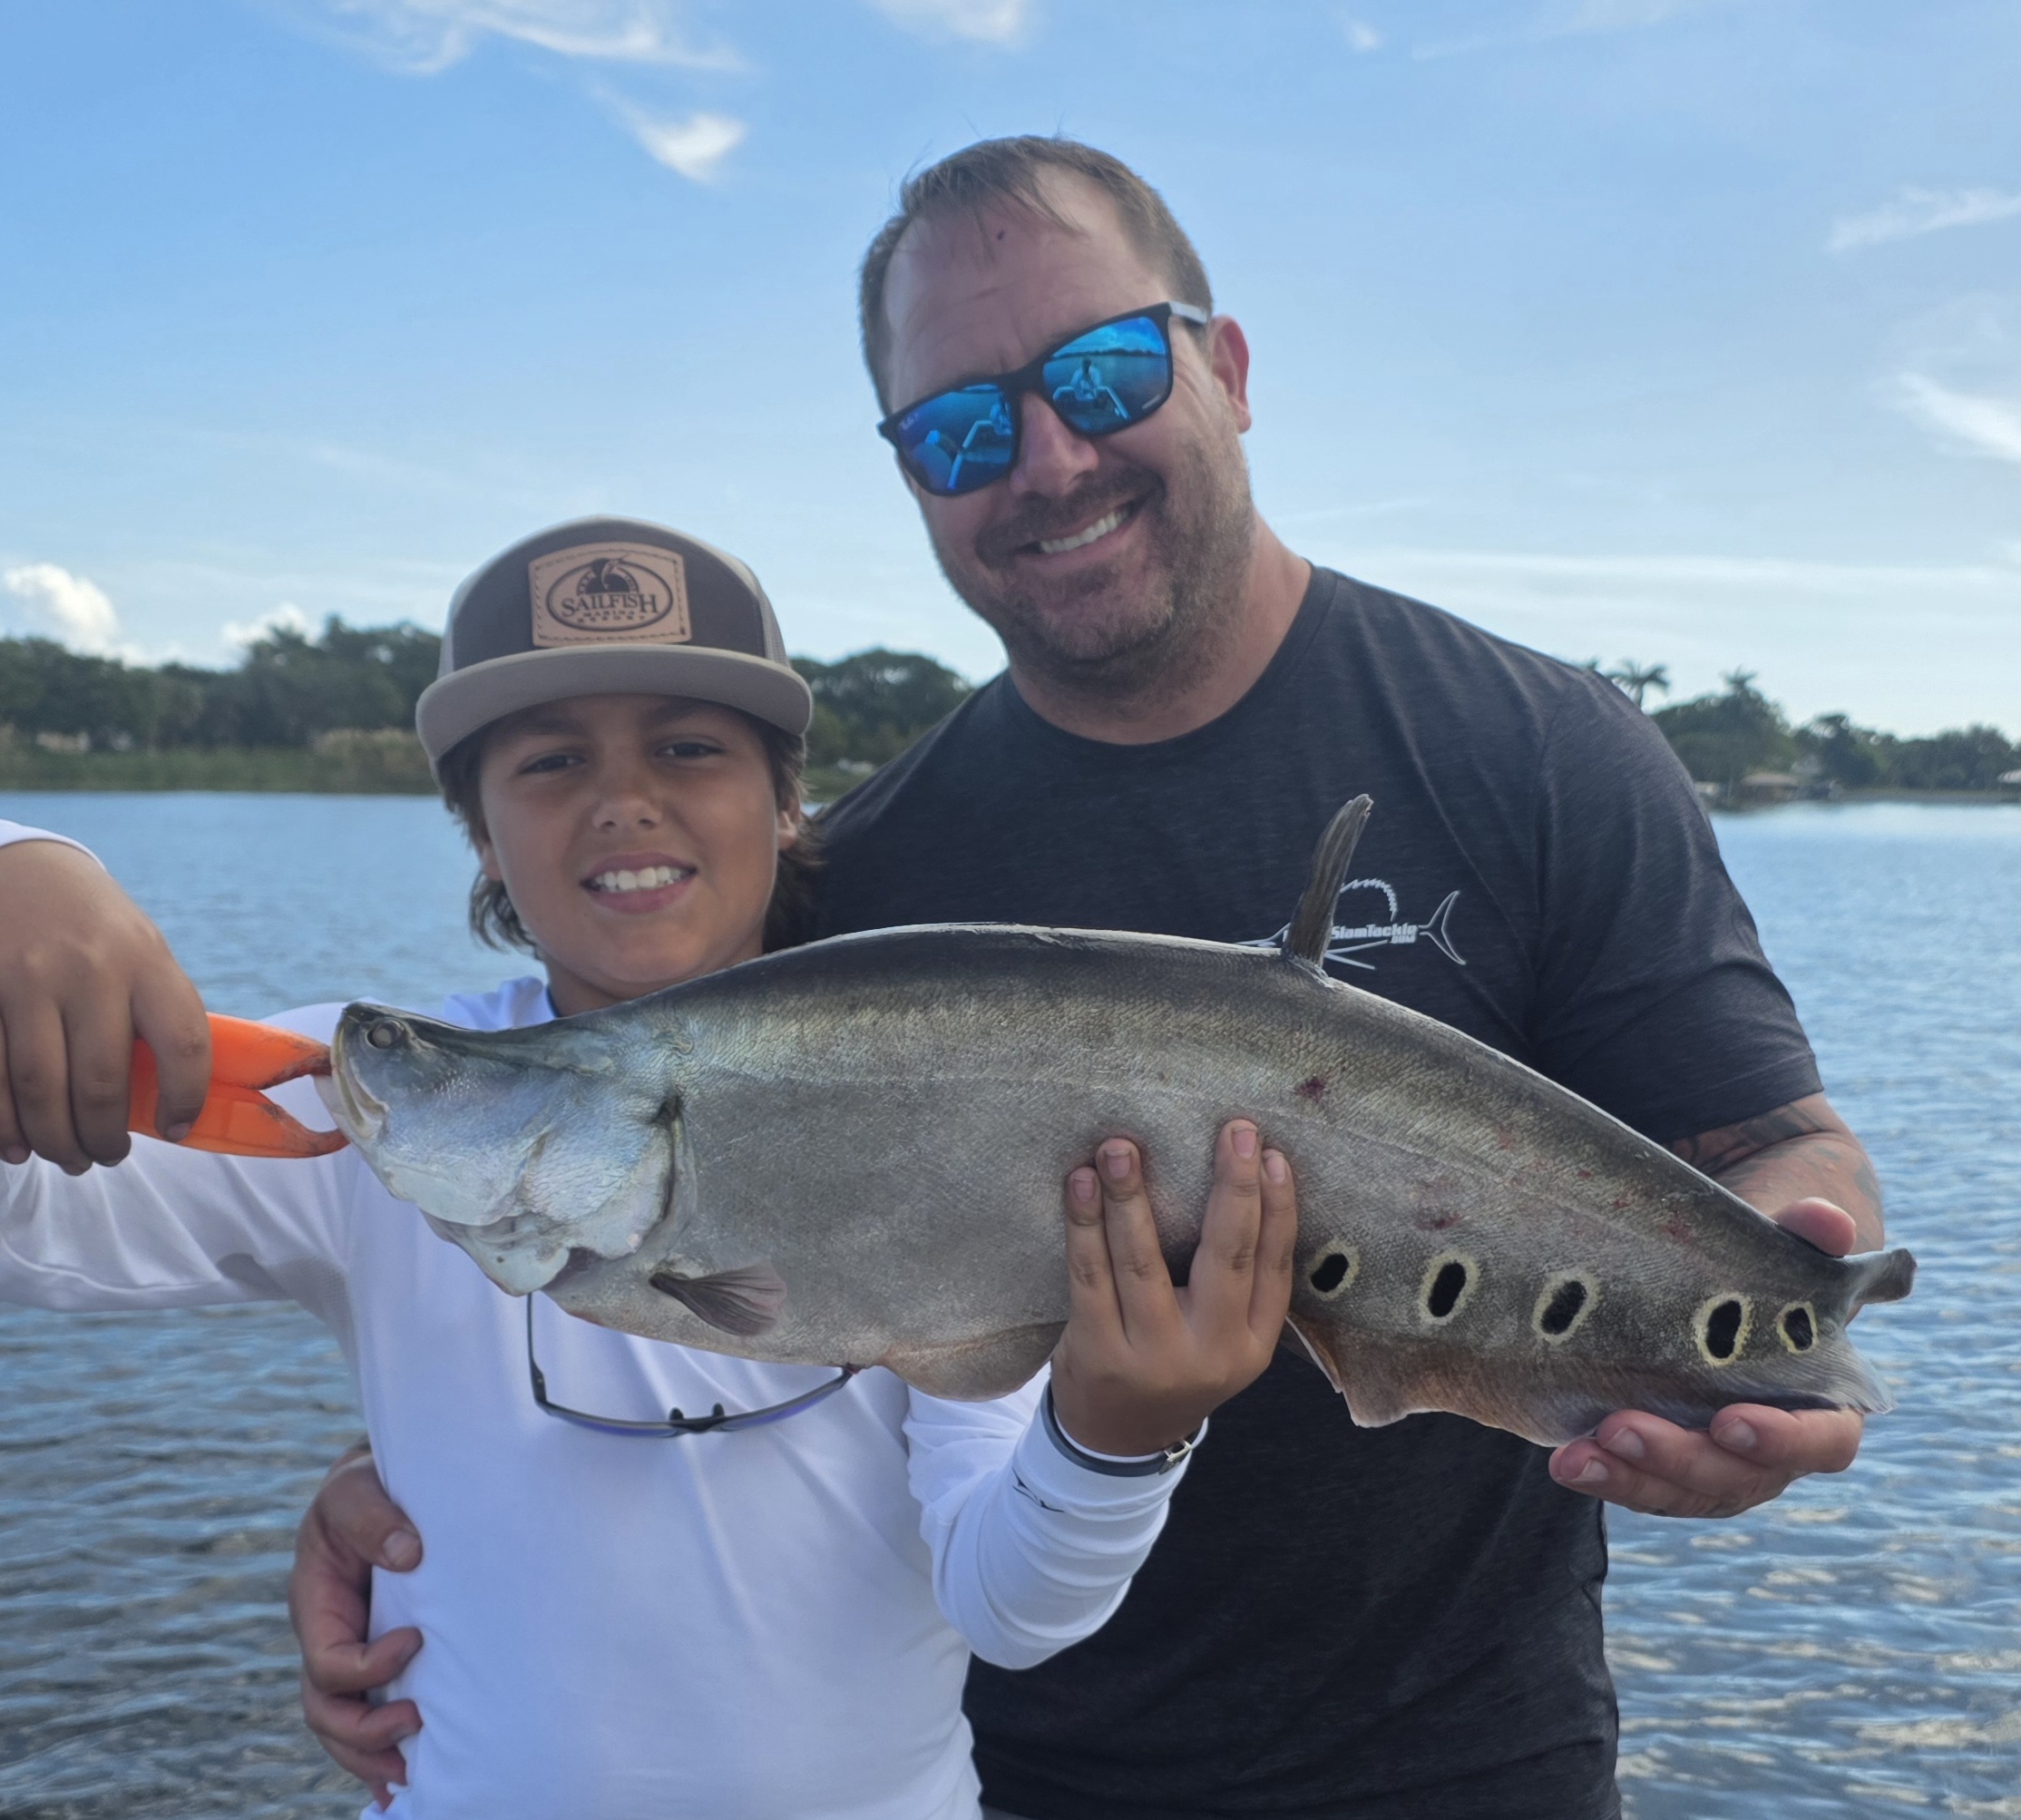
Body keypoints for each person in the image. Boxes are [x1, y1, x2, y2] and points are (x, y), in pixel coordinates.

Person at [91, 137, 1887, 1816]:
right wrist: (411, 1461)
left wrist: (1774, 1326)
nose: (1045, 460)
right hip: (1017, 1758)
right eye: (959, 429)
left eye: (1100, 375)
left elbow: (1769, 1143)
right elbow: (697, 1204)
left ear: (1228, 366)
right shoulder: (857, 883)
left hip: (1461, 1747)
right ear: (908, 476)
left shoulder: (1536, 747)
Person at [0, 515, 1301, 1818]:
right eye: (551, 758)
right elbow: (30, 1220)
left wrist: (1114, 1437)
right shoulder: (382, 1096)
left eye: (690, 745)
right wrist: (23, 863)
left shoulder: (948, 1104)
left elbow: (1008, 1601)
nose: (624, 796)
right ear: (478, 833)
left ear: (788, 798)